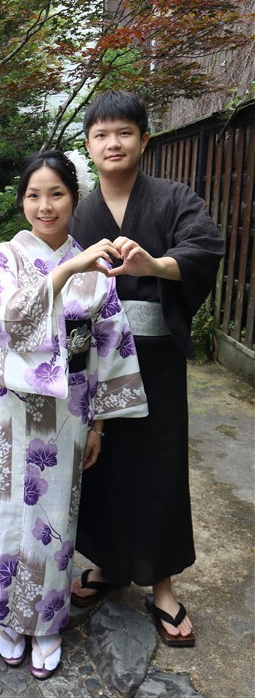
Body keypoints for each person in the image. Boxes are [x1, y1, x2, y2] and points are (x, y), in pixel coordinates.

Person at [0, 151, 148, 679]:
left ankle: (45, 622)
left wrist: (99, 425)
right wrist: (66, 271)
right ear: (21, 200)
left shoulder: (98, 269)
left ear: (74, 198)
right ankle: (5, 616)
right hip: (4, 408)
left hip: (67, 407)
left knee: (54, 518)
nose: (44, 206)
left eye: (56, 194)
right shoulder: (1, 257)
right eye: (33, 195)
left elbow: (108, 345)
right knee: (2, 512)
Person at [69, 90, 225, 647]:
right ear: (88, 145)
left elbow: (205, 246)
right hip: (96, 360)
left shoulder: (174, 198)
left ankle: (161, 584)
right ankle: (110, 564)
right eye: (101, 135)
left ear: (144, 139)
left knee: (159, 467)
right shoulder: (78, 211)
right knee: (101, 465)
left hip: (156, 361)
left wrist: (155, 265)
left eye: (124, 132)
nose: (113, 143)